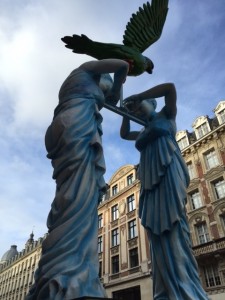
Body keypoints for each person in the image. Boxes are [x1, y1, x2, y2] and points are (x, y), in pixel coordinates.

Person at [26, 59, 129, 300]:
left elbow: (110, 99)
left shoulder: (79, 87)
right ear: (100, 78)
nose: (106, 91)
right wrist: (126, 69)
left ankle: (57, 267)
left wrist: (115, 88)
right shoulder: (84, 71)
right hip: (75, 125)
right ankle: (71, 276)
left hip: (63, 126)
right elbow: (119, 64)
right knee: (81, 196)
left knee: (71, 195)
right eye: (105, 85)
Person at [120, 83, 209, 300]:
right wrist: (125, 114)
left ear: (152, 102)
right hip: (150, 182)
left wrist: (139, 94)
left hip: (168, 173)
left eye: (141, 107)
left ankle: (185, 289)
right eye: (137, 110)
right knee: (156, 234)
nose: (139, 111)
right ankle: (165, 290)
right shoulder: (143, 128)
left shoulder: (167, 115)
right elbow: (124, 134)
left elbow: (170, 88)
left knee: (174, 226)